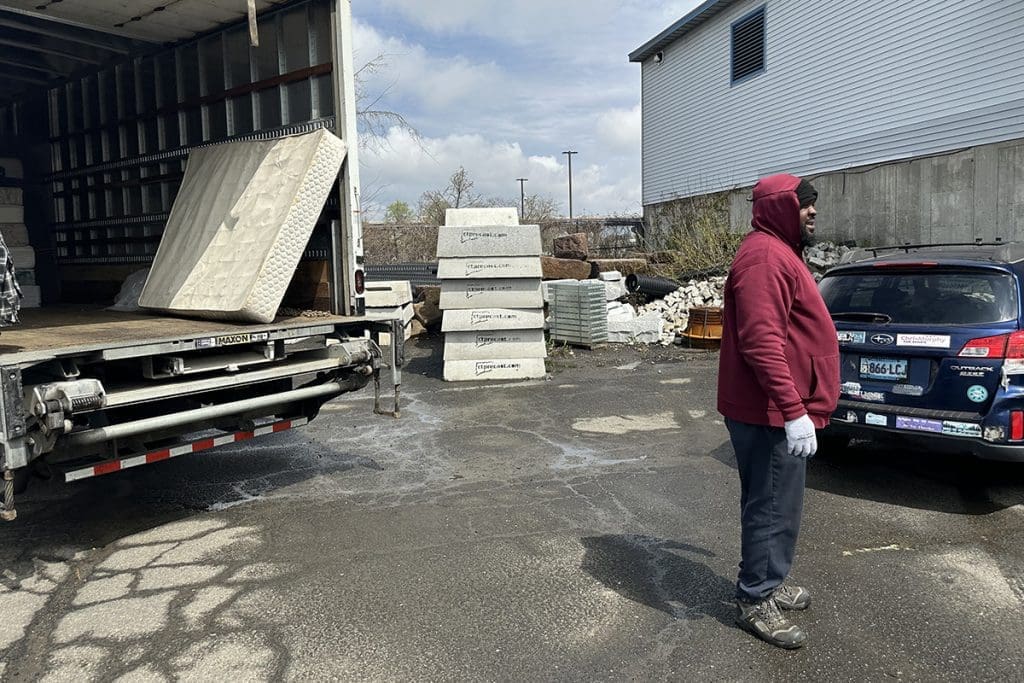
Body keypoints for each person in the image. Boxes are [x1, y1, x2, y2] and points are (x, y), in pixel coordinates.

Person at [717, 173, 839, 649]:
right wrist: (792, 409)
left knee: (777, 502)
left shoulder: (779, 251)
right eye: (804, 203)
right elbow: (762, 341)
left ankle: (771, 575)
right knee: (770, 505)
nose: (813, 211)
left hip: (775, 408)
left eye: (814, 204)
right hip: (768, 411)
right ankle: (756, 598)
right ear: (781, 207)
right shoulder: (766, 257)